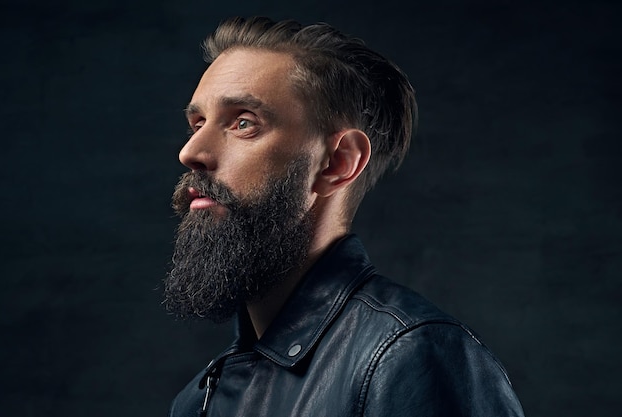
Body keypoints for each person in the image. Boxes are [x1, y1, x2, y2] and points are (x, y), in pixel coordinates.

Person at [164, 15, 525, 417]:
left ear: (337, 162)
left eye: (243, 122)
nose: (190, 152)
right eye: (197, 123)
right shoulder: (200, 398)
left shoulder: (409, 357)